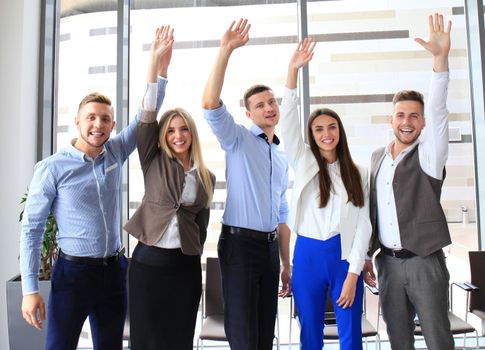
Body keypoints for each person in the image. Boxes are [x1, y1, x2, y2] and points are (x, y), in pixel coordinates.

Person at [19, 26, 172, 350]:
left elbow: (147, 113)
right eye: (91, 118)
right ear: (77, 121)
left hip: (115, 271)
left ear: (112, 125)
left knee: (111, 347)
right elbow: (31, 230)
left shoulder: (115, 151)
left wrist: (159, 66)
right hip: (73, 274)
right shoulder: (52, 168)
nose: (98, 125)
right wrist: (30, 290)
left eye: (105, 119)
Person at [363, 13, 454, 350]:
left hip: (424, 262)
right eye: (400, 115)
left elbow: (440, 110)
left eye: (414, 115)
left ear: (422, 122)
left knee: (438, 340)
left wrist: (440, 62)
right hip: (386, 264)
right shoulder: (376, 157)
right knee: (398, 340)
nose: (407, 121)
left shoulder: (430, 156)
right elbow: (371, 212)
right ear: (391, 119)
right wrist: (365, 254)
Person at [123, 25, 215, 350]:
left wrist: (195, 249)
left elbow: (200, 224)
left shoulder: (206, 176)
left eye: (184, 129)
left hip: (185, 267)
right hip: (148, 264)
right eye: (172, 130)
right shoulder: (153, 159)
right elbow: (148, 114)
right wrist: (156, 63)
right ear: (164, 135)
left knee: (179, 340)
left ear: (191, 133)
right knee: (146, 341)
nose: (178, 135)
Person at [202, 18, 291, 350]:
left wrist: (285, 262)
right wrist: (225, 50)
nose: (269, 108)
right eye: (260, 105)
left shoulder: (280, 155)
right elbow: (210, 104)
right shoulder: (237, 139)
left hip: (270, 250)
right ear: (249, 114)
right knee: (242, 334)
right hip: (239, 247)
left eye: (272, 102)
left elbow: (281, 212)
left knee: (265, 332)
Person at [280, 38, 372, 350]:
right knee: (310, 333)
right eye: (318, 129)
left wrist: (353, 273)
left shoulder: (358, 173)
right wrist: (292, 70)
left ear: (339, 131)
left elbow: (364, 226)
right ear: (312, 135)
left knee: (350, 334)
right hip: (306, 254)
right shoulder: (303, 160)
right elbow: (289, 120)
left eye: (331, 127)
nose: (326, 133)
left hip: (344, 256)